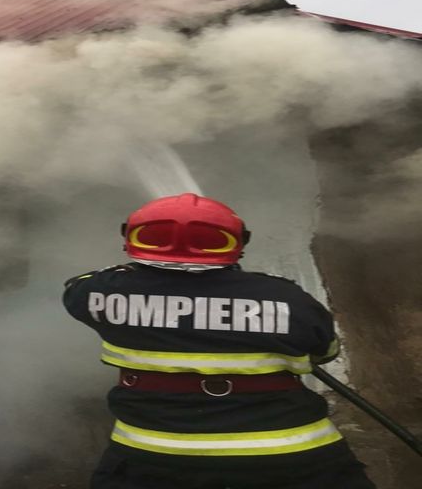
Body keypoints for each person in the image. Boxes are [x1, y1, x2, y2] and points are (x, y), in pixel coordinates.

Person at [62, 193, 375, 489]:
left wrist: (136, 277)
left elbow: (78, 286)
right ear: (237, 243)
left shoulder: (98, 293)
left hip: (153, 458)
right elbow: (325, 352)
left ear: (131, 239)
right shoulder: (286, 297)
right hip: (293, 456)